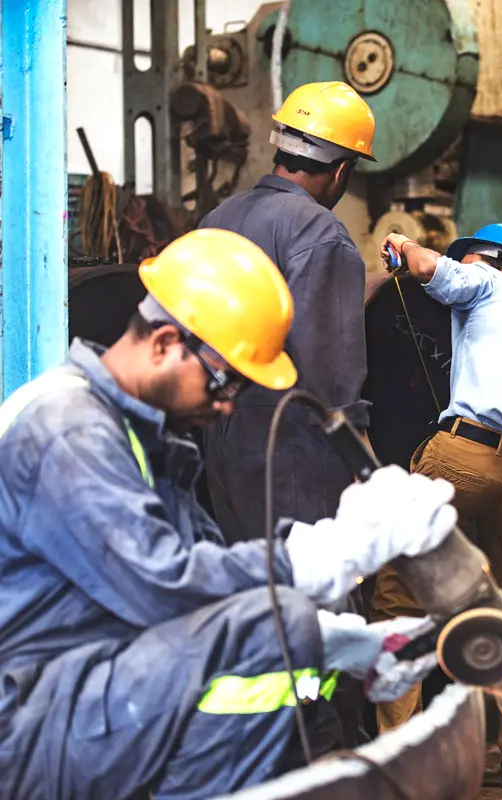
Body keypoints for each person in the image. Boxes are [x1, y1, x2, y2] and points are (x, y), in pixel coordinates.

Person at [0, 229, 455, 799]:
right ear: (165, 343)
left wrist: (338, 644)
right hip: (31, 719)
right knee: (276, 631)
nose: (226, 405)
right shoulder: (69, 430)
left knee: (288, 631)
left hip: (87, 684)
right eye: (225, 381)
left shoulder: (141, 436)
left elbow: (204, 569)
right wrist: (322, 555)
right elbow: (162, 588)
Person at [371, 224, 502, 784]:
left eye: (477, 259)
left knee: (399, 594)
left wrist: (403, 243)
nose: (470, 266)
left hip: (465, 455)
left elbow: (432, 270)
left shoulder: (492, 286)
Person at [198, 80, 375, 546]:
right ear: (341, 172)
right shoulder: (318, 229)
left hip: (221, 439)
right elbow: (329, 365)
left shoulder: (217, 218)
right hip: (292, 445)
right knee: (313, 596)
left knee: (253, 587)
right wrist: (361, 457)